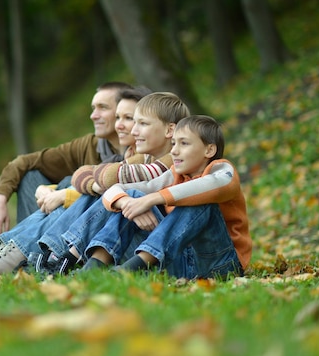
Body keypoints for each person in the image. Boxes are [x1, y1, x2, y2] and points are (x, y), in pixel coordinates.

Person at [0, 88, 148, 275]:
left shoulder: (147, 158)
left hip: (124, 241)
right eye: (119, 117)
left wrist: (68, 193)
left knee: (80, 192)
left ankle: (22, 256)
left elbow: (104, 179)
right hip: (98, 232)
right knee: (50, 183)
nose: (94, 115)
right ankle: (19, 254)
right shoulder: (96, 147)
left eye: (104, 108)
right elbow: (79, 174)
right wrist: (9, 197)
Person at [67, 115, 252, 279]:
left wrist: (152, 199)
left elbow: (210, 186)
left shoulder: (223, 171)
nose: (174, 151)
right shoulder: (174, 176)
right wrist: (128, 203)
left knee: (201, 200)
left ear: (209, 150)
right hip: (179, 263)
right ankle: (95, 266)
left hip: (221, 265)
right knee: (131, 195)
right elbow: (114, 189)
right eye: (173, 144)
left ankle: (133, 268)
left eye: (184, 143)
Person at [35, 92, 191, 275]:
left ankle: (65, 257)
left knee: (123, 194)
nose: (134, 131)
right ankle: (62, 257)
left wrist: (121, 195)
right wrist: (118, 196)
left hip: (172, 251)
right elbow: (83, 174)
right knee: (108, 193)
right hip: (148, 241)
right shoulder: (145, 158)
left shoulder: (174, 163)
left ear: (169, 130)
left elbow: (109, 178)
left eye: (142, 123)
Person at [0, 81, 133, 244]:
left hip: (107, 234)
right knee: (30, 176)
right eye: (93, 108)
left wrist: (63, 193)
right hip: (68, 226)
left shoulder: (143, 149)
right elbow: (23, 162)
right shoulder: (88, 145)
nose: (93, 115)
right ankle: (25, 249)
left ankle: (19, 248)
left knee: (70, 182)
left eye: (102, 107)